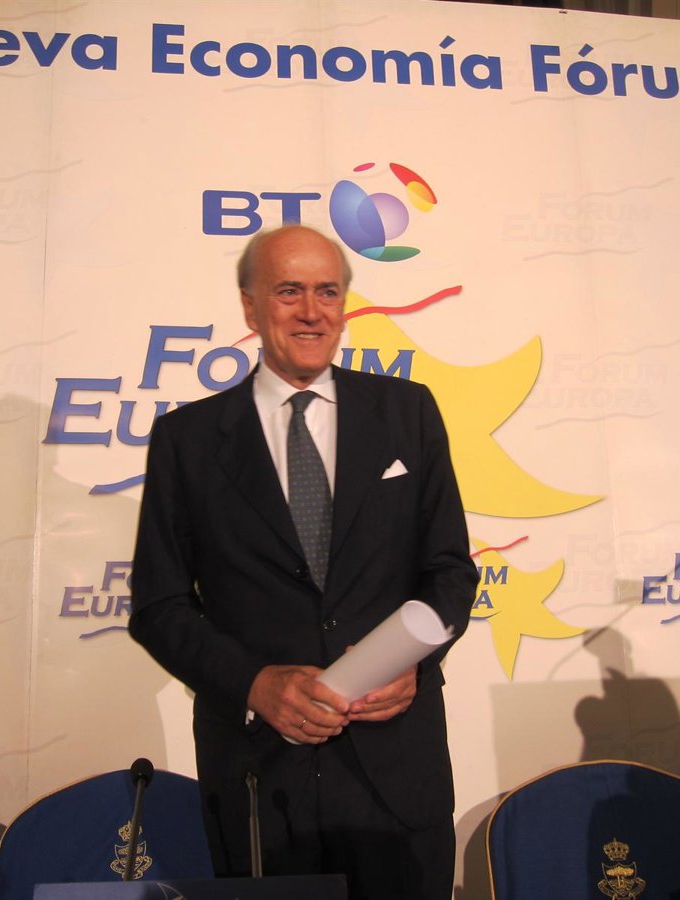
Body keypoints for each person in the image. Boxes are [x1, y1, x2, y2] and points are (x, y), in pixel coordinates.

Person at [129, 224, 477, 899]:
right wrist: (254, 684)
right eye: (289, 291)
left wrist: (413, 659)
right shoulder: (187, 439)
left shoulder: (407, 412)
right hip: (259, 780)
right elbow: (159, 606)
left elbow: (450, 572)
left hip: (397, 774)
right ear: (250, 306)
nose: (312, 312)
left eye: (328, 292)